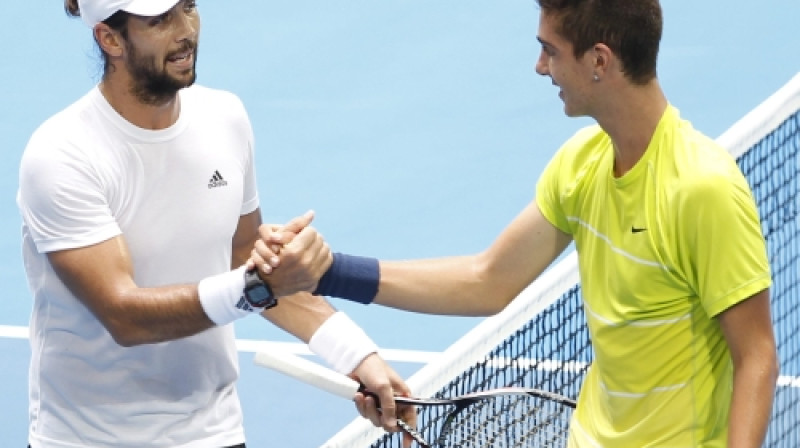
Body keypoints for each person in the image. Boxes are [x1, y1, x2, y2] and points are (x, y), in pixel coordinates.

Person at [255, 0, 780, 446]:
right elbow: (489, 279)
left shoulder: (701, 187)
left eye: (550, 50)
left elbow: (756, 356)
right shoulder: (581, 165)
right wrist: (324, 274)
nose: (539, 66)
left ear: (599, 60)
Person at [17, 1, 414, 447]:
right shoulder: (62, 155)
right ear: (110, 39)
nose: (185, 30)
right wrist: (256, 287)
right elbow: (125, 315)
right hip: (89, 439)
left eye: (188, 7)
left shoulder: (225, 118)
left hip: (213, 432)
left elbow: (244, 254)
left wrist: (357, 354)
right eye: (160, 20)